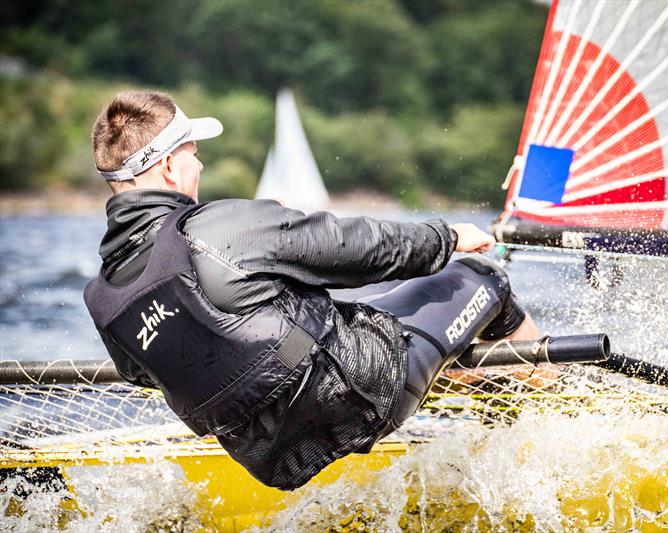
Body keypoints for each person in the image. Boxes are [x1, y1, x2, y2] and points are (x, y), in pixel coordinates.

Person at [84, 90, 539, 491]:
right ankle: (549, 425)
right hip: (364, 392)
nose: (199, 163)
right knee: (484, 278)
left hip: (271, 458)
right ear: (167, 166)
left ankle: (465, 383)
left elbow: (155, 370)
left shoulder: (103, 297)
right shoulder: (220, 226)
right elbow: (357, 248)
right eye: (193, 152)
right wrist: (449, 238)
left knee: (381, 302)